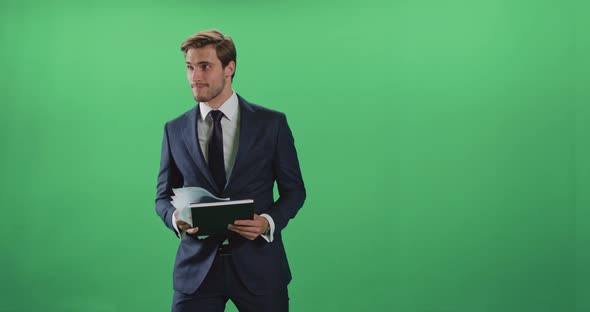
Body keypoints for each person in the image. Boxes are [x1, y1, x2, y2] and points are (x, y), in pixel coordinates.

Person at [155, 29, 306, 312]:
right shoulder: (173, 130)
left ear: (229, 68)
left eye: (205, 66)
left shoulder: (271, 124)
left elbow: (294, 191)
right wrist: (175, 219)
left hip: (260, 267)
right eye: (189, 67)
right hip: (196, 272)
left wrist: (267, 223)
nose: (194, 77)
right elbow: (162, 197)